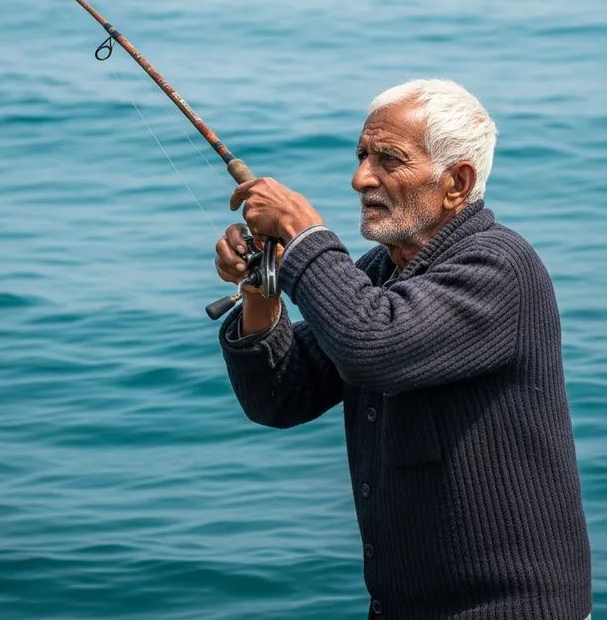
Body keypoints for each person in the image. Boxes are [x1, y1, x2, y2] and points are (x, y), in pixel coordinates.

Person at [214, 79, 591, 620]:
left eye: (388, 159)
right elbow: (280, 397)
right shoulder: (380, 274)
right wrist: (261, 286)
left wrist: (303, 235)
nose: (360, 177)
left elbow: (374, 343)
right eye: (362, 155)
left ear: (456, 183)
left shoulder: (499, 267)